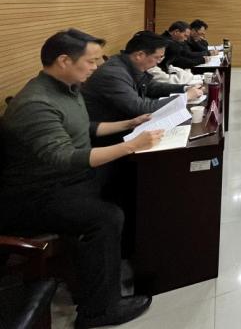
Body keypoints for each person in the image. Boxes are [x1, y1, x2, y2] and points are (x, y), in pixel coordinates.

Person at [0, 29, 162, 328]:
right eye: (91, 61)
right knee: (105, 217)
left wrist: (130, 123)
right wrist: (130, 145)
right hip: (37, 194)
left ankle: (126, 257)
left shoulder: (68, 88)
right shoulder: (37, 103)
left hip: (68, 178)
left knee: (128, 178)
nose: (96, 67)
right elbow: (63, 156)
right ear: (64, 60)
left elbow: (84, 128)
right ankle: (98, 310)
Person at [82, 31, 203, 124]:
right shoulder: (113, 74)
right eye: (157, 57)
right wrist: (185, 97)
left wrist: (184, 89)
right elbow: (139, 108)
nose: (159, 62)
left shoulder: (129, 65)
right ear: (140, 55)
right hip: (112, 132)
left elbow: (151, 86)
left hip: (129, 121)